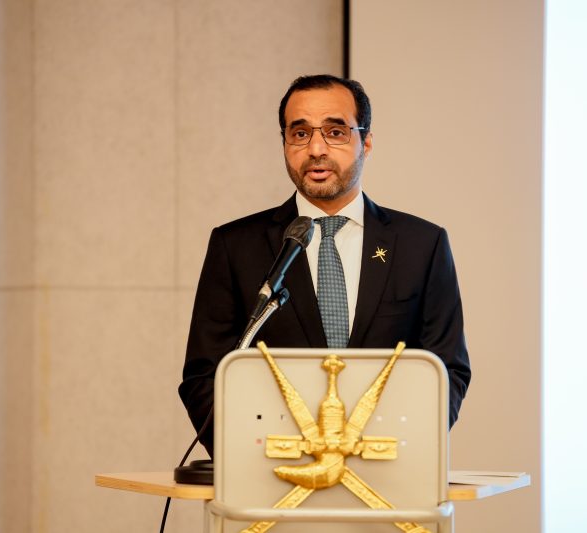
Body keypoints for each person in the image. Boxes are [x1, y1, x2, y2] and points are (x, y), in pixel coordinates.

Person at [179, 75, 471, 457]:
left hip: (389, 478)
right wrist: (252, 461)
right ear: (284, 144)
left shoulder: (421, 244)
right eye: (299, 134)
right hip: (270, 481)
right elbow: (205, 376)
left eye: (335, 131)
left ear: (365, 141)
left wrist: (395, 451)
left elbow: (446, 372)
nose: (316, 148)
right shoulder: (236, 246)